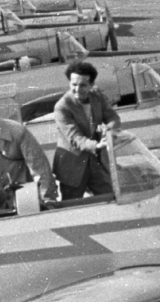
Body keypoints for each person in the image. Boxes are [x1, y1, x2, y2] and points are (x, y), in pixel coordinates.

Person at [0, 103, 57, 216]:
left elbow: (39, 167)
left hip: (28, 198)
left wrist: (47, 199)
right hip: (2, 203)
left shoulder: (17, 131)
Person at [51, 61, 121, 200]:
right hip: (72, 164)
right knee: (72, 204)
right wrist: (97, 145)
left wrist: (110, 130)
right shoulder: (62, 107)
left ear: (92, 85)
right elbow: (75, 138)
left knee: (109, 196)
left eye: (83, 85)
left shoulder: (97, 95)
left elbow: (112, 116)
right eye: (74, 84)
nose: (77, 89)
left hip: (95, 160)